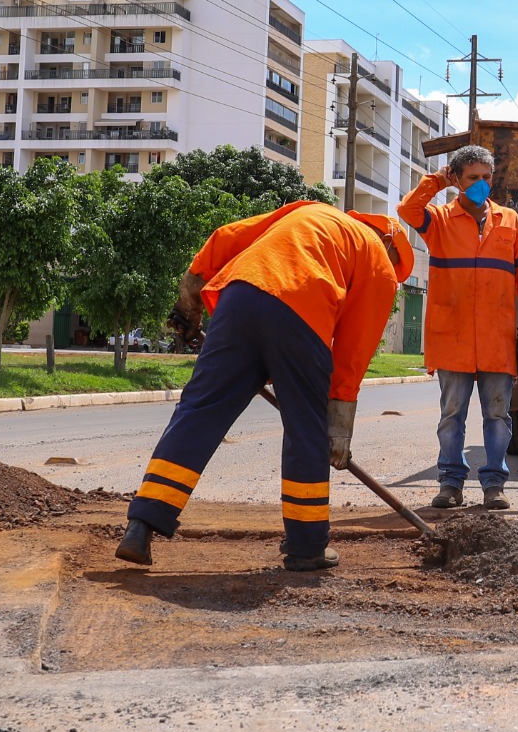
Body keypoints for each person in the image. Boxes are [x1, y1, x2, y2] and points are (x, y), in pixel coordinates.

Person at [115, 201, 411, 572]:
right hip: (303, 314)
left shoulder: (310, 213)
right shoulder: (380, 262)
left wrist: (189, 298)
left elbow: (226, 237)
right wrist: (337, 427)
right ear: (393, 248)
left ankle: (142, 525)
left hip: (240, 297)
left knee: (198, 414)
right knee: (306, 430)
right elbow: (354, 349)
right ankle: (307, 546)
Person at [398, 144, 518, 511]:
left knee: (498, 414)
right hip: (453, 335)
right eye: (473, 177)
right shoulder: (439, 220)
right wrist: (436, 180)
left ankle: (494, 484)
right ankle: (450, 484)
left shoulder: (509, 220)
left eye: (487, 177)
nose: (482, 183)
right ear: (458, 180)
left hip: (496, 336)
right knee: (452, 416)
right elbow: (407, 210)